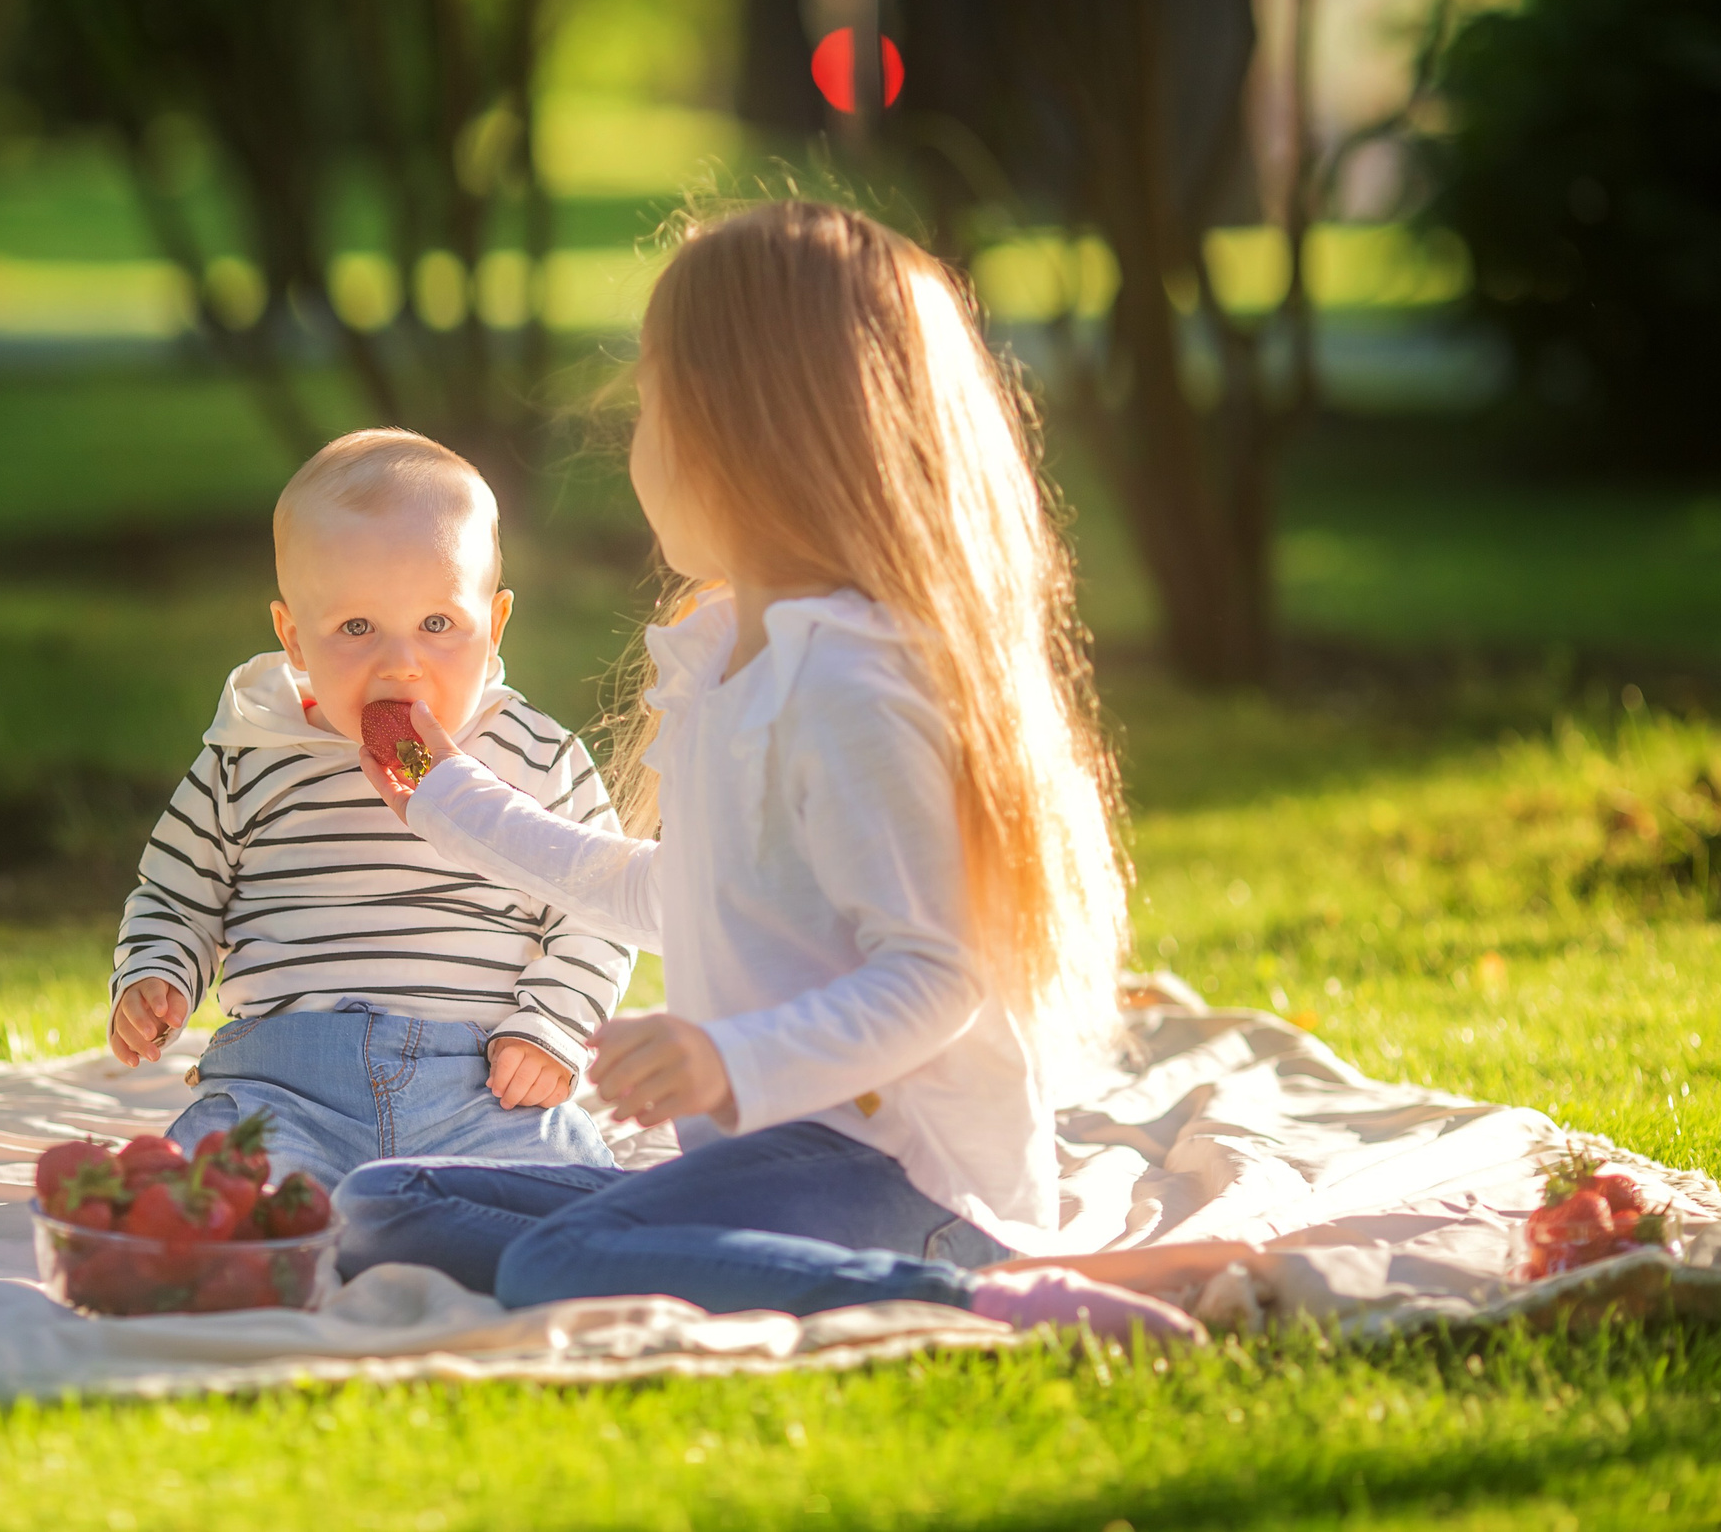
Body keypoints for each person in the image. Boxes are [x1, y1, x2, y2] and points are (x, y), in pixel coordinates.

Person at [336, 201, 1223, 1342]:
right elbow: (681, 896)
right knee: (385, 1204)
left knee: (560, 1258)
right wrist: (445, 796)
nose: (633, 438)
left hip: (904, 1177)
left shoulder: (848, 685)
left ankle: (1006, 1304)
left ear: (741, 433)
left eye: (653, 403)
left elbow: (934, 976)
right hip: (777, 1154)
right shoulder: (732, 660)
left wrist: (724, 1058)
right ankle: (680, 1250)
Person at [107, 429, 633, 1190]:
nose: (401, 662)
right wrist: (157, 974)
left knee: (573, 1201)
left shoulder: (535, 756)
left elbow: (600, 905)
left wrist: (550, 1027)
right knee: (198, 1195)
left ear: (495, 625)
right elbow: (175, 894)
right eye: (356, 628)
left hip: (479, 1086)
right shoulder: (249, 752)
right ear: (293, 636)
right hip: (280, 1086)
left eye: (438, 624)